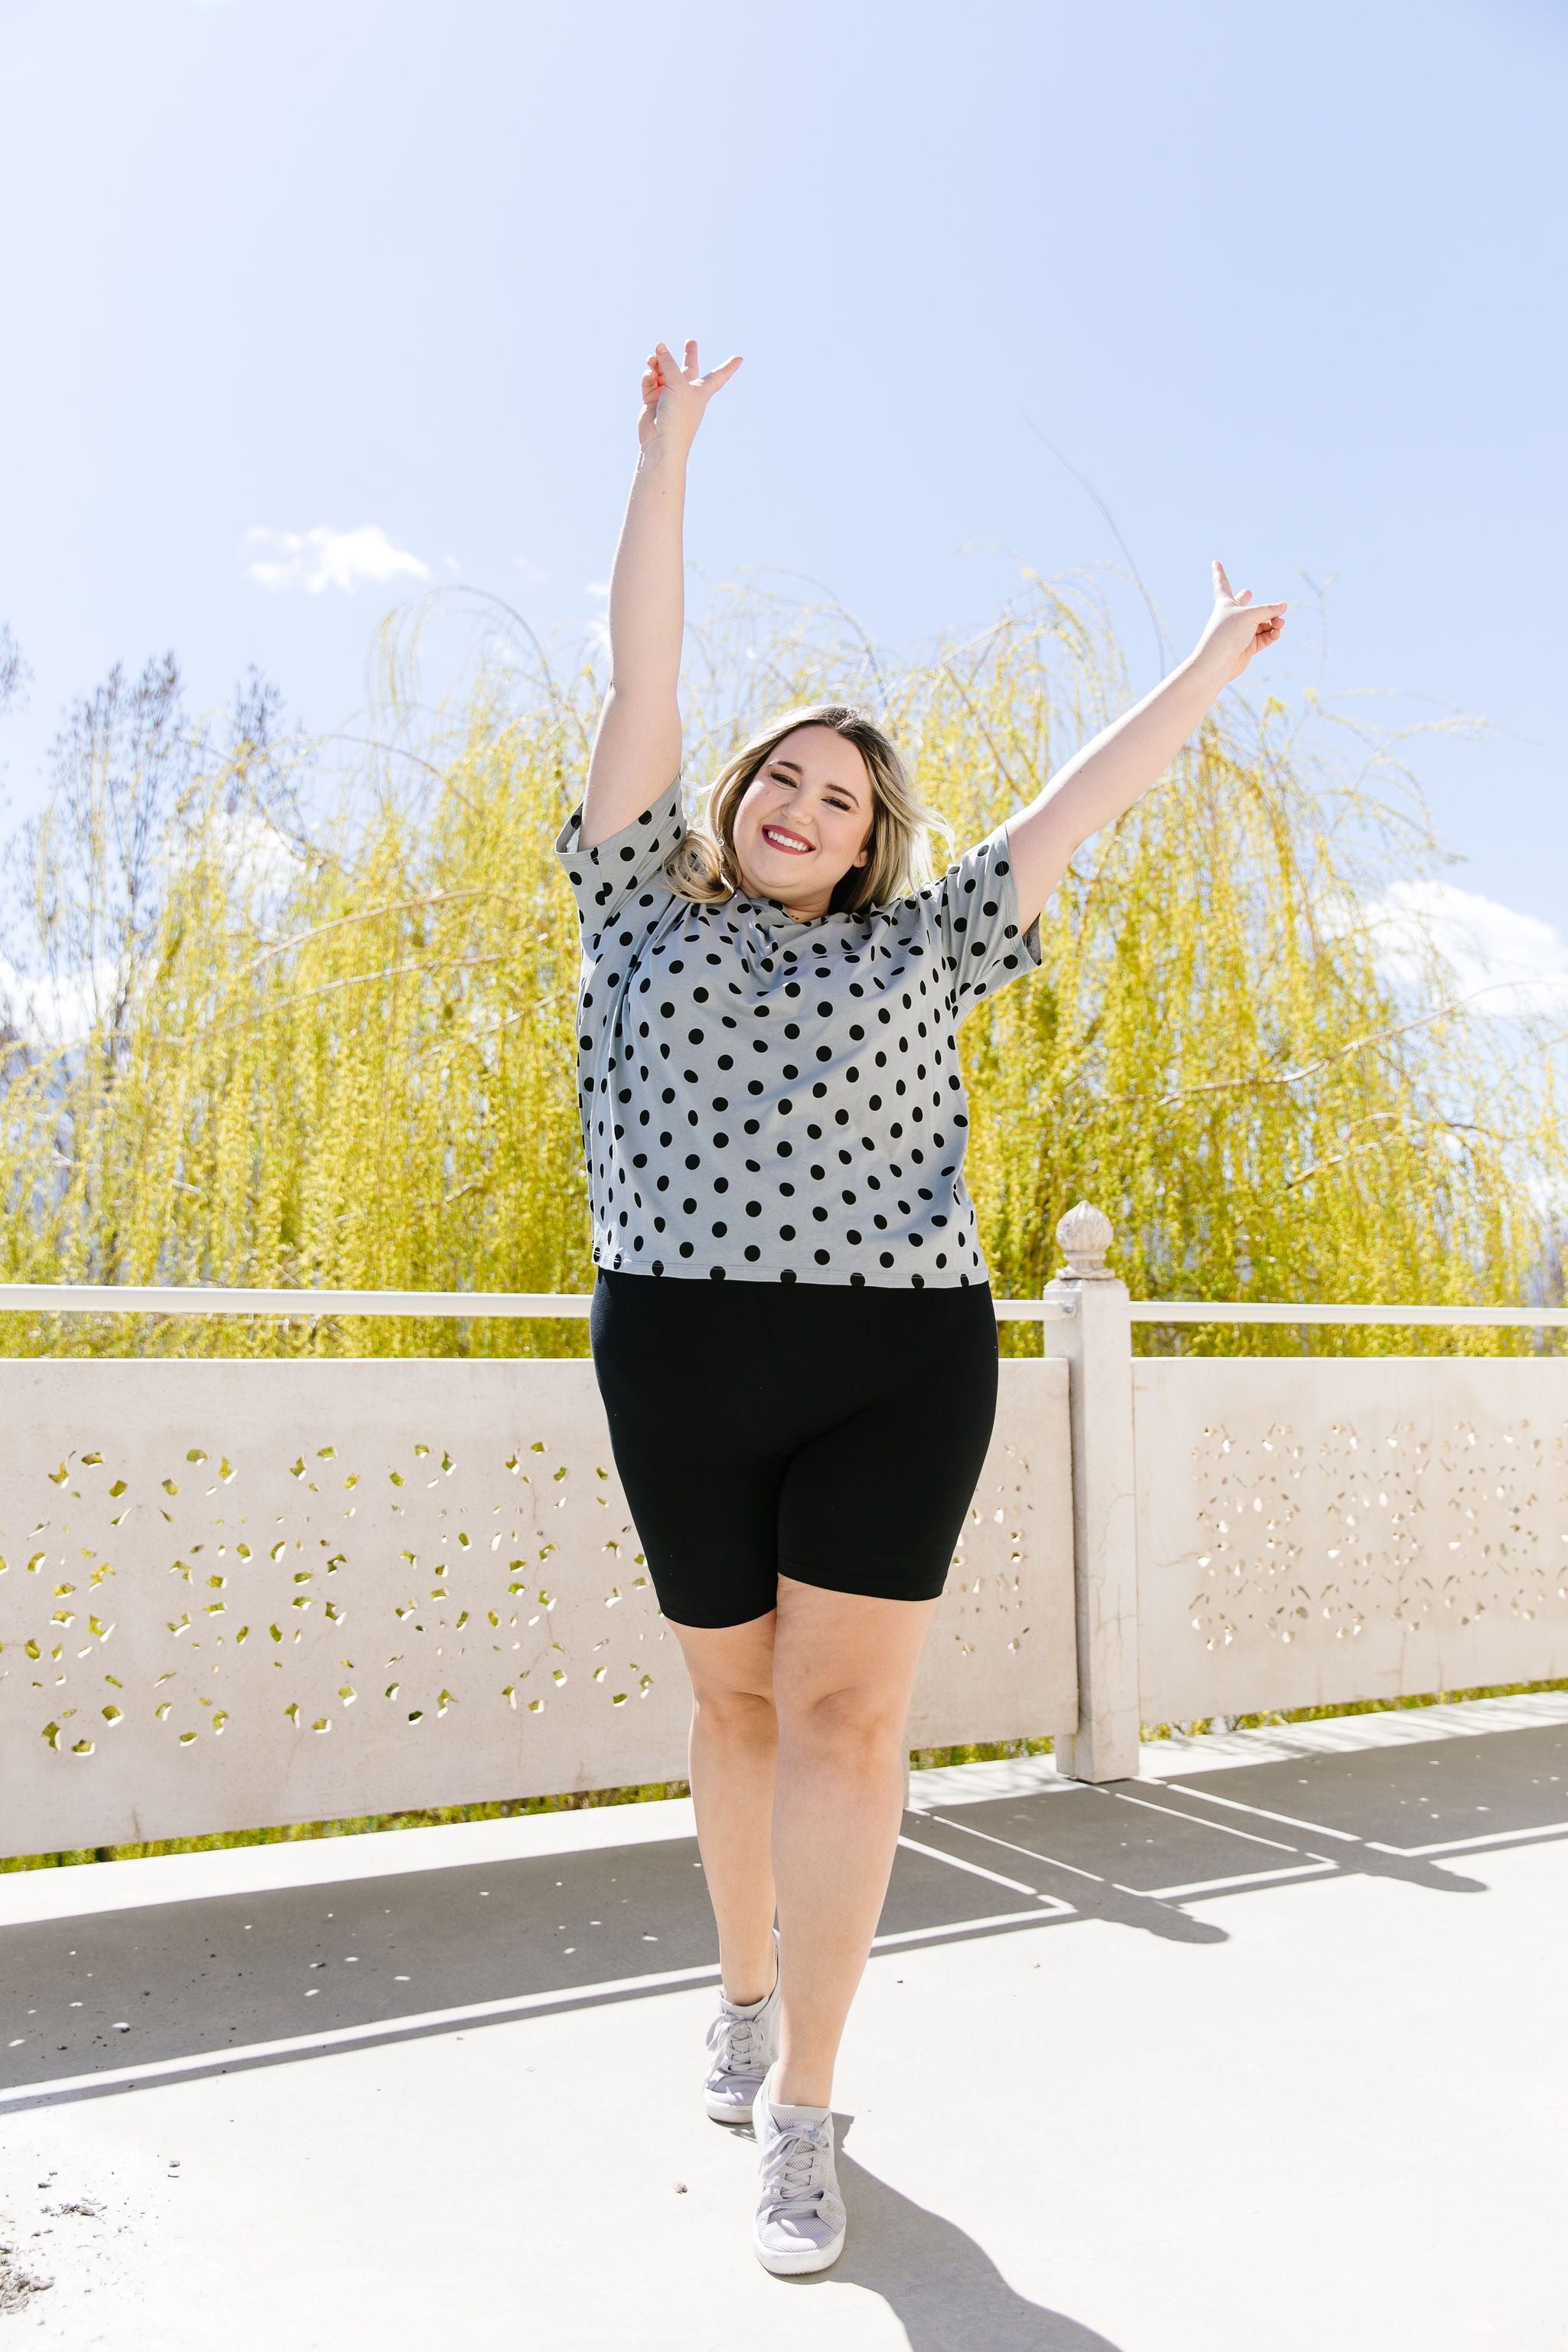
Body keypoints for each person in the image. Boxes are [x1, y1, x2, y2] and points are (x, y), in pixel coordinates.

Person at [554, 339, 1286, 2276]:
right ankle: (733, 1990)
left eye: (846, 797)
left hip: (897, 1359)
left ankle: (807, 2102)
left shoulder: (931, 940)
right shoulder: (635, 906)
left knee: (849, 1722)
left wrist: (1203, 668)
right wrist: (667, 449)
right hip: (683, 1347)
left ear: (876, 845)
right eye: (783, 778)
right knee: (729, 1702)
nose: (809, 805)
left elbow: (1074, 803)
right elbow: (646, 664)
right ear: (732, 803)